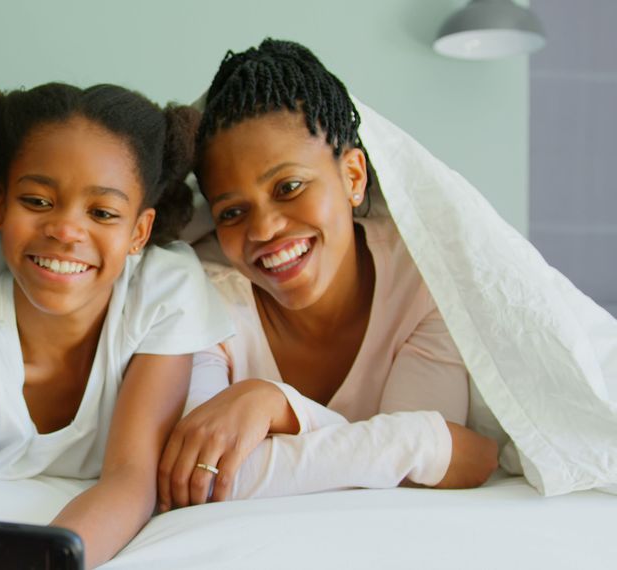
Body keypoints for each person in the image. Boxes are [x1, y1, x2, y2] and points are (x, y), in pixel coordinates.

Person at [0, 83, 233, 568]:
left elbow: (131, 477)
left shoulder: (160, 292)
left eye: (102, 212)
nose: (66, 230)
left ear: (139, 232)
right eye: (37, 202)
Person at [157, 38, 502, 509]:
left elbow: (431, 480)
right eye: (233, 211)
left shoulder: (420, 283)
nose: (264, 228)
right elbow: (202, 478)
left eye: (289, 186)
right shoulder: (199, 290)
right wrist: (417, 442)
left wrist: (277, 406)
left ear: (353, 177)